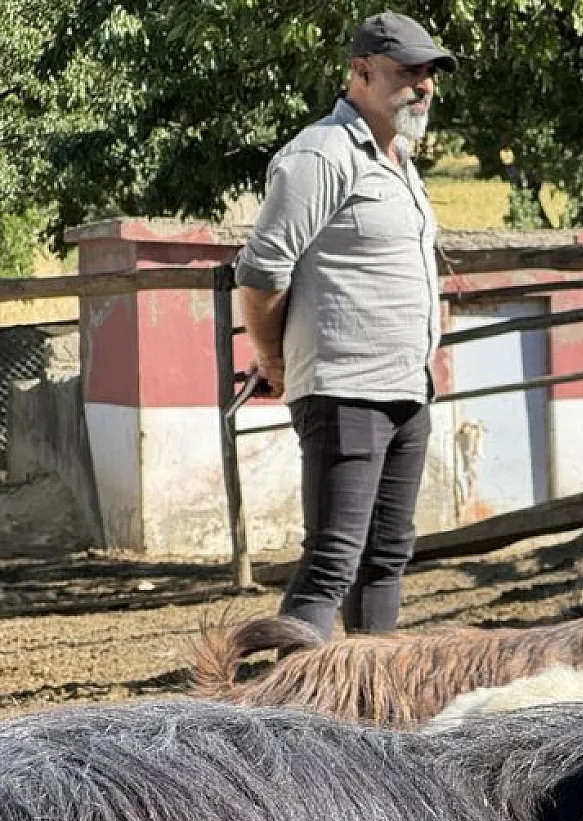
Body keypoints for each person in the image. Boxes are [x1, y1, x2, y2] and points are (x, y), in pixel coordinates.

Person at [234, 12, 456, 640]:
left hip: (407, 388)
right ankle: (288, 725)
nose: (424, 85)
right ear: (360, 72)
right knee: (333, 559)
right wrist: (274, 360)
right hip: (344, 389)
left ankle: (370, 716)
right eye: (408, 71)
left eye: (430, 73)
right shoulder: (320, 155)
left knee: (386, 558)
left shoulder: (400, 161)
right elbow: (261, 275)